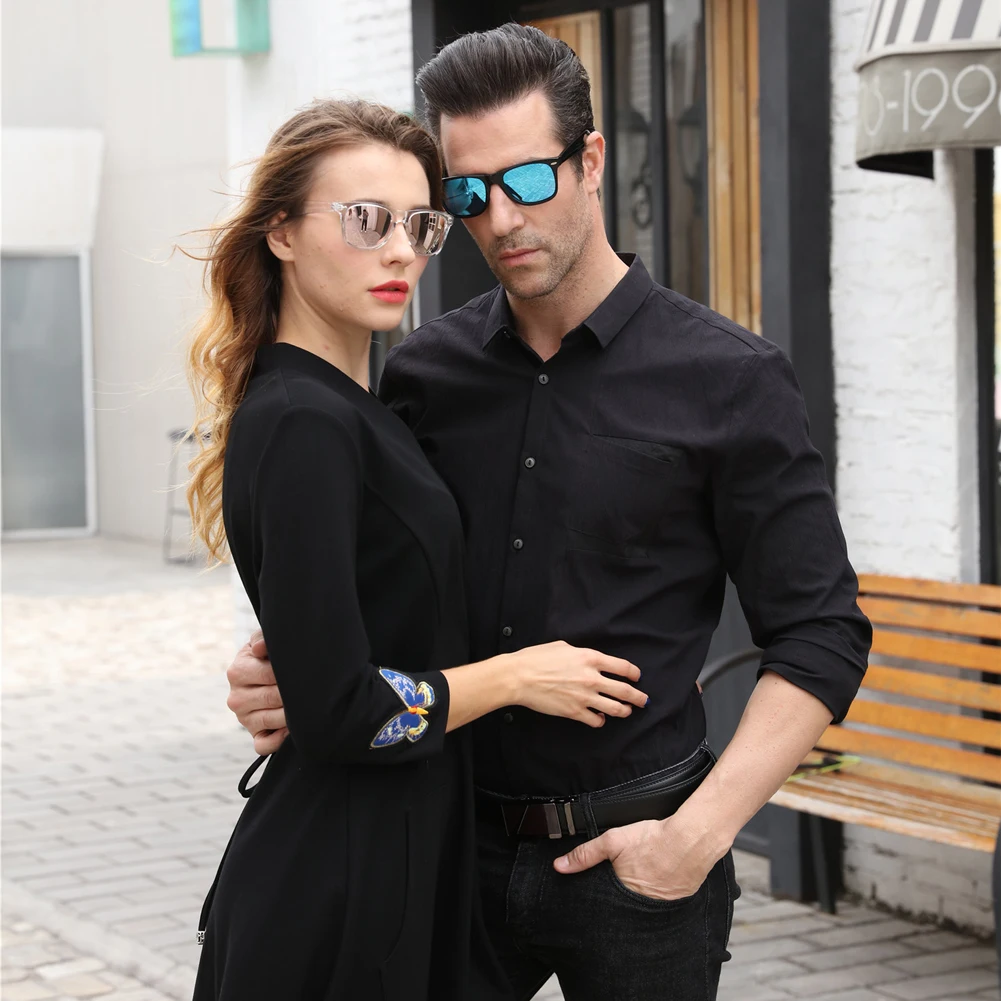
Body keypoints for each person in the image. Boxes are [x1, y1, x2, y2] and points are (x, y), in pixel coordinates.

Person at [225, 25, 872, 1001]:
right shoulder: (423, 375)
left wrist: (692, 838)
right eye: (468, 194)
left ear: (591, 160)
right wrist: (284, 670)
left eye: (527, 180)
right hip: (446, 850)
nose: (500, 220)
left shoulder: (729, 377)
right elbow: (377, 580)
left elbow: (821, 634)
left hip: (641, 859)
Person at [185, 97, 650, 1001]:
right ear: (281, 232)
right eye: (365, 220)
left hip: (394, 859)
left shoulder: (356, 406)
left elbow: (356, 639)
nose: (400, 251)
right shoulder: (304, 419)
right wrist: (515, 676)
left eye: (420, 224)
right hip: (337, 886)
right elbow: (344, 714)